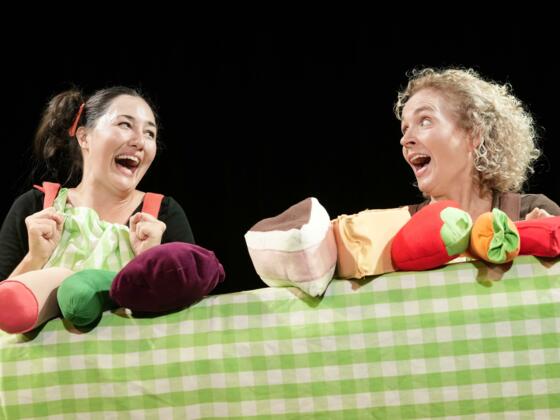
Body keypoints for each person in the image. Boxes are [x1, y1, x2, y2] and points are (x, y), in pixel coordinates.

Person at [0, 86, 194, 332]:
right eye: (125, 124)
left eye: (149, 133)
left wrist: (152, 260)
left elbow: (191, 315)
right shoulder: (34, 208)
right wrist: (35, 258)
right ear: (84, 137)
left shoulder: (163, 216)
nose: (139, 142)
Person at [395, 67, 560, 221]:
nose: (405, 139)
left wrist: (538, 238)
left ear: (473, 134)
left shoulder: (535, 211)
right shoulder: (398, 225)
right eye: (405, 128)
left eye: (425, 121)